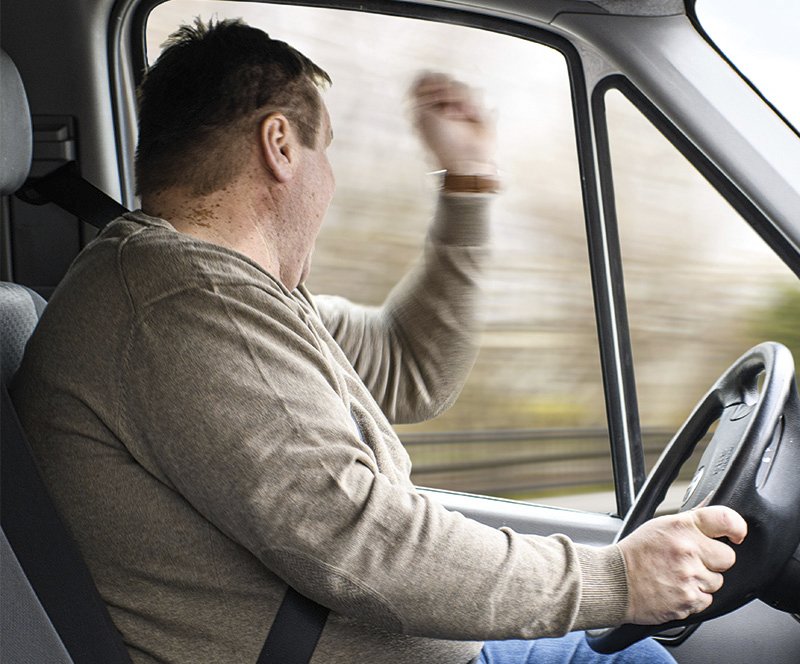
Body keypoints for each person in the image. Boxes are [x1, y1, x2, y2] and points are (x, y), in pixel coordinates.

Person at [12, 18, 747, 664]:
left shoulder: (241, 300)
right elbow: (365, 543)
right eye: (323, 150)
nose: (328, 181)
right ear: (279, 144)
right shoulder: (181, 304)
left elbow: (411, 367)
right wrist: (617, 580)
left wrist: (467, 185)